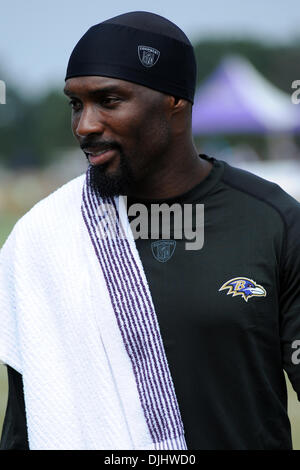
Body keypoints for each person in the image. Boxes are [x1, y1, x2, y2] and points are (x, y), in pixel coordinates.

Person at [0, 11, 300, 451]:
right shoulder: (43, 239)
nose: (85, 125)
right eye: (76, 104)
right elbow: (28, 423)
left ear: (174, 102)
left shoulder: (271, 222)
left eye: (109, 100)